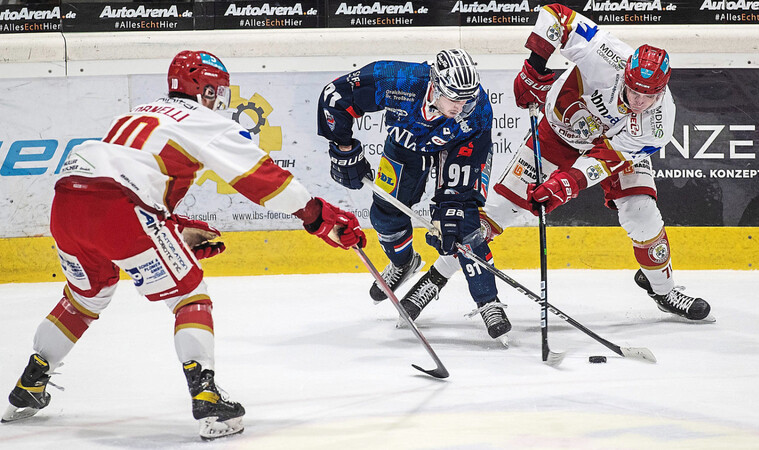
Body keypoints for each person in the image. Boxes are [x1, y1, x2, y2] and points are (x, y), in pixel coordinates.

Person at [1, 50, 366, 440]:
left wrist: (172, 229)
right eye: (217, 92)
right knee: (190, 295)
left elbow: (124, 173)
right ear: (204, 89)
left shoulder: (137, 112)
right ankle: (206, 397)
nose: (219, 101)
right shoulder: (204, 121)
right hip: (121, 207)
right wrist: (316, 215)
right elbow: (261, 179)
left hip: (68, 202)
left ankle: (30, 384)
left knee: (85, 298)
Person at [400, 4, 714, 325]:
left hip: (609, 149)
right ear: (626, 73)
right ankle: (433, 279)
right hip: (556, 134)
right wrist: (534, 68)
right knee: (493, 216)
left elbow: (609, 158)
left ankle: (663, 290)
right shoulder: (608, 56)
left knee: (641, 213)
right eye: (633, 89)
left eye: (648, 96)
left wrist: (569, 183)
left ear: (662, 89)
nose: (638, 100)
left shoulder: (658, 124)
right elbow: (557, 14)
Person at [317, 49, 511, 340]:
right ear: (435, 86)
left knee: (462, 225)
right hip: (406, 145)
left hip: (459, 148)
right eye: (454, 98)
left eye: (466, 99)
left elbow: (471, 154)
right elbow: (334, 97)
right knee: (385, 215)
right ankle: (403, 262)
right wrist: (344, 149)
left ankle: (488, 301)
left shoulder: (478, 108)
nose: (461, 106)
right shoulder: (399, 80)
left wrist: (453, 207)